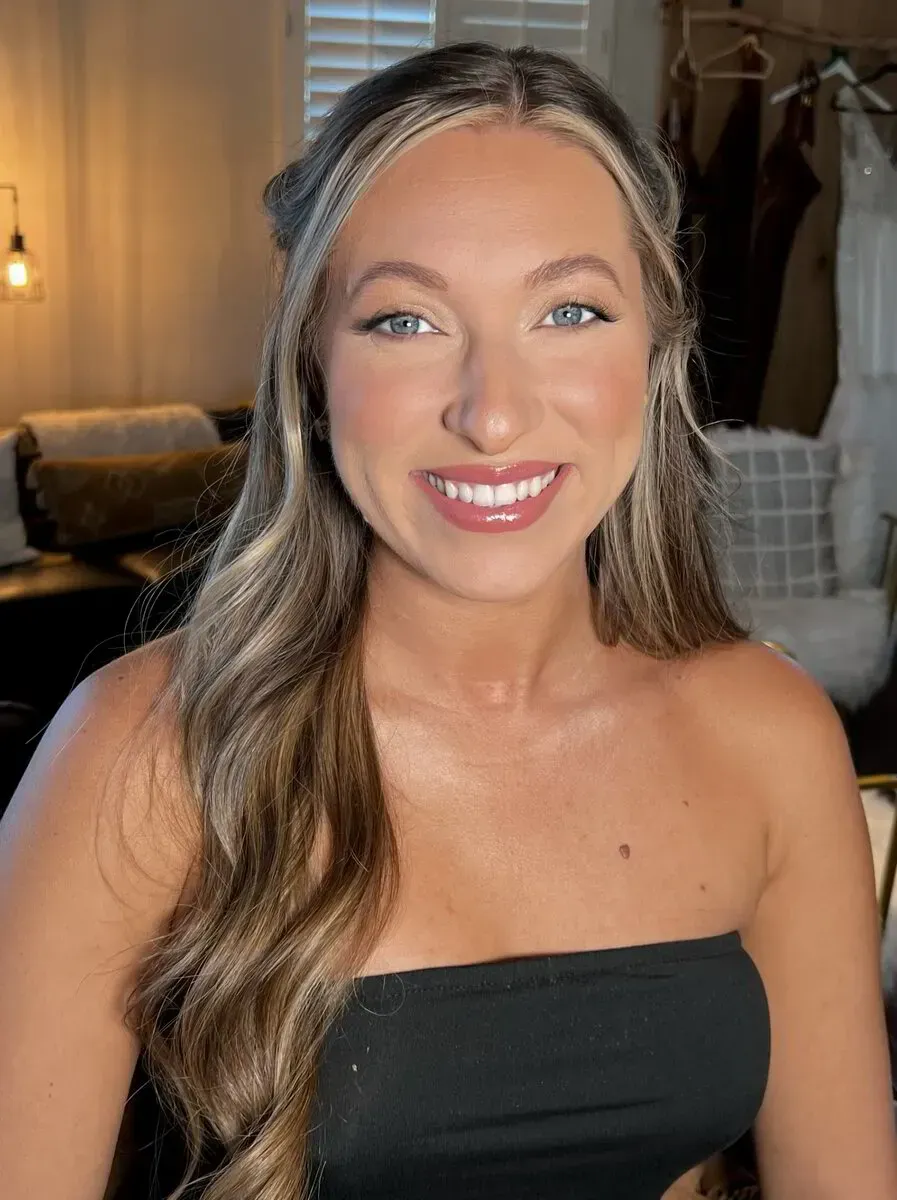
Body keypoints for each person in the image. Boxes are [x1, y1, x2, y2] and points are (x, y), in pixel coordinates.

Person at [1, 42, 895, 1200]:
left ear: (656, 348)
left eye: (569, 310)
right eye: (407, 322)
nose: (494, 414)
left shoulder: (773, 736)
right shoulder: (145, 756)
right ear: (313, 364)